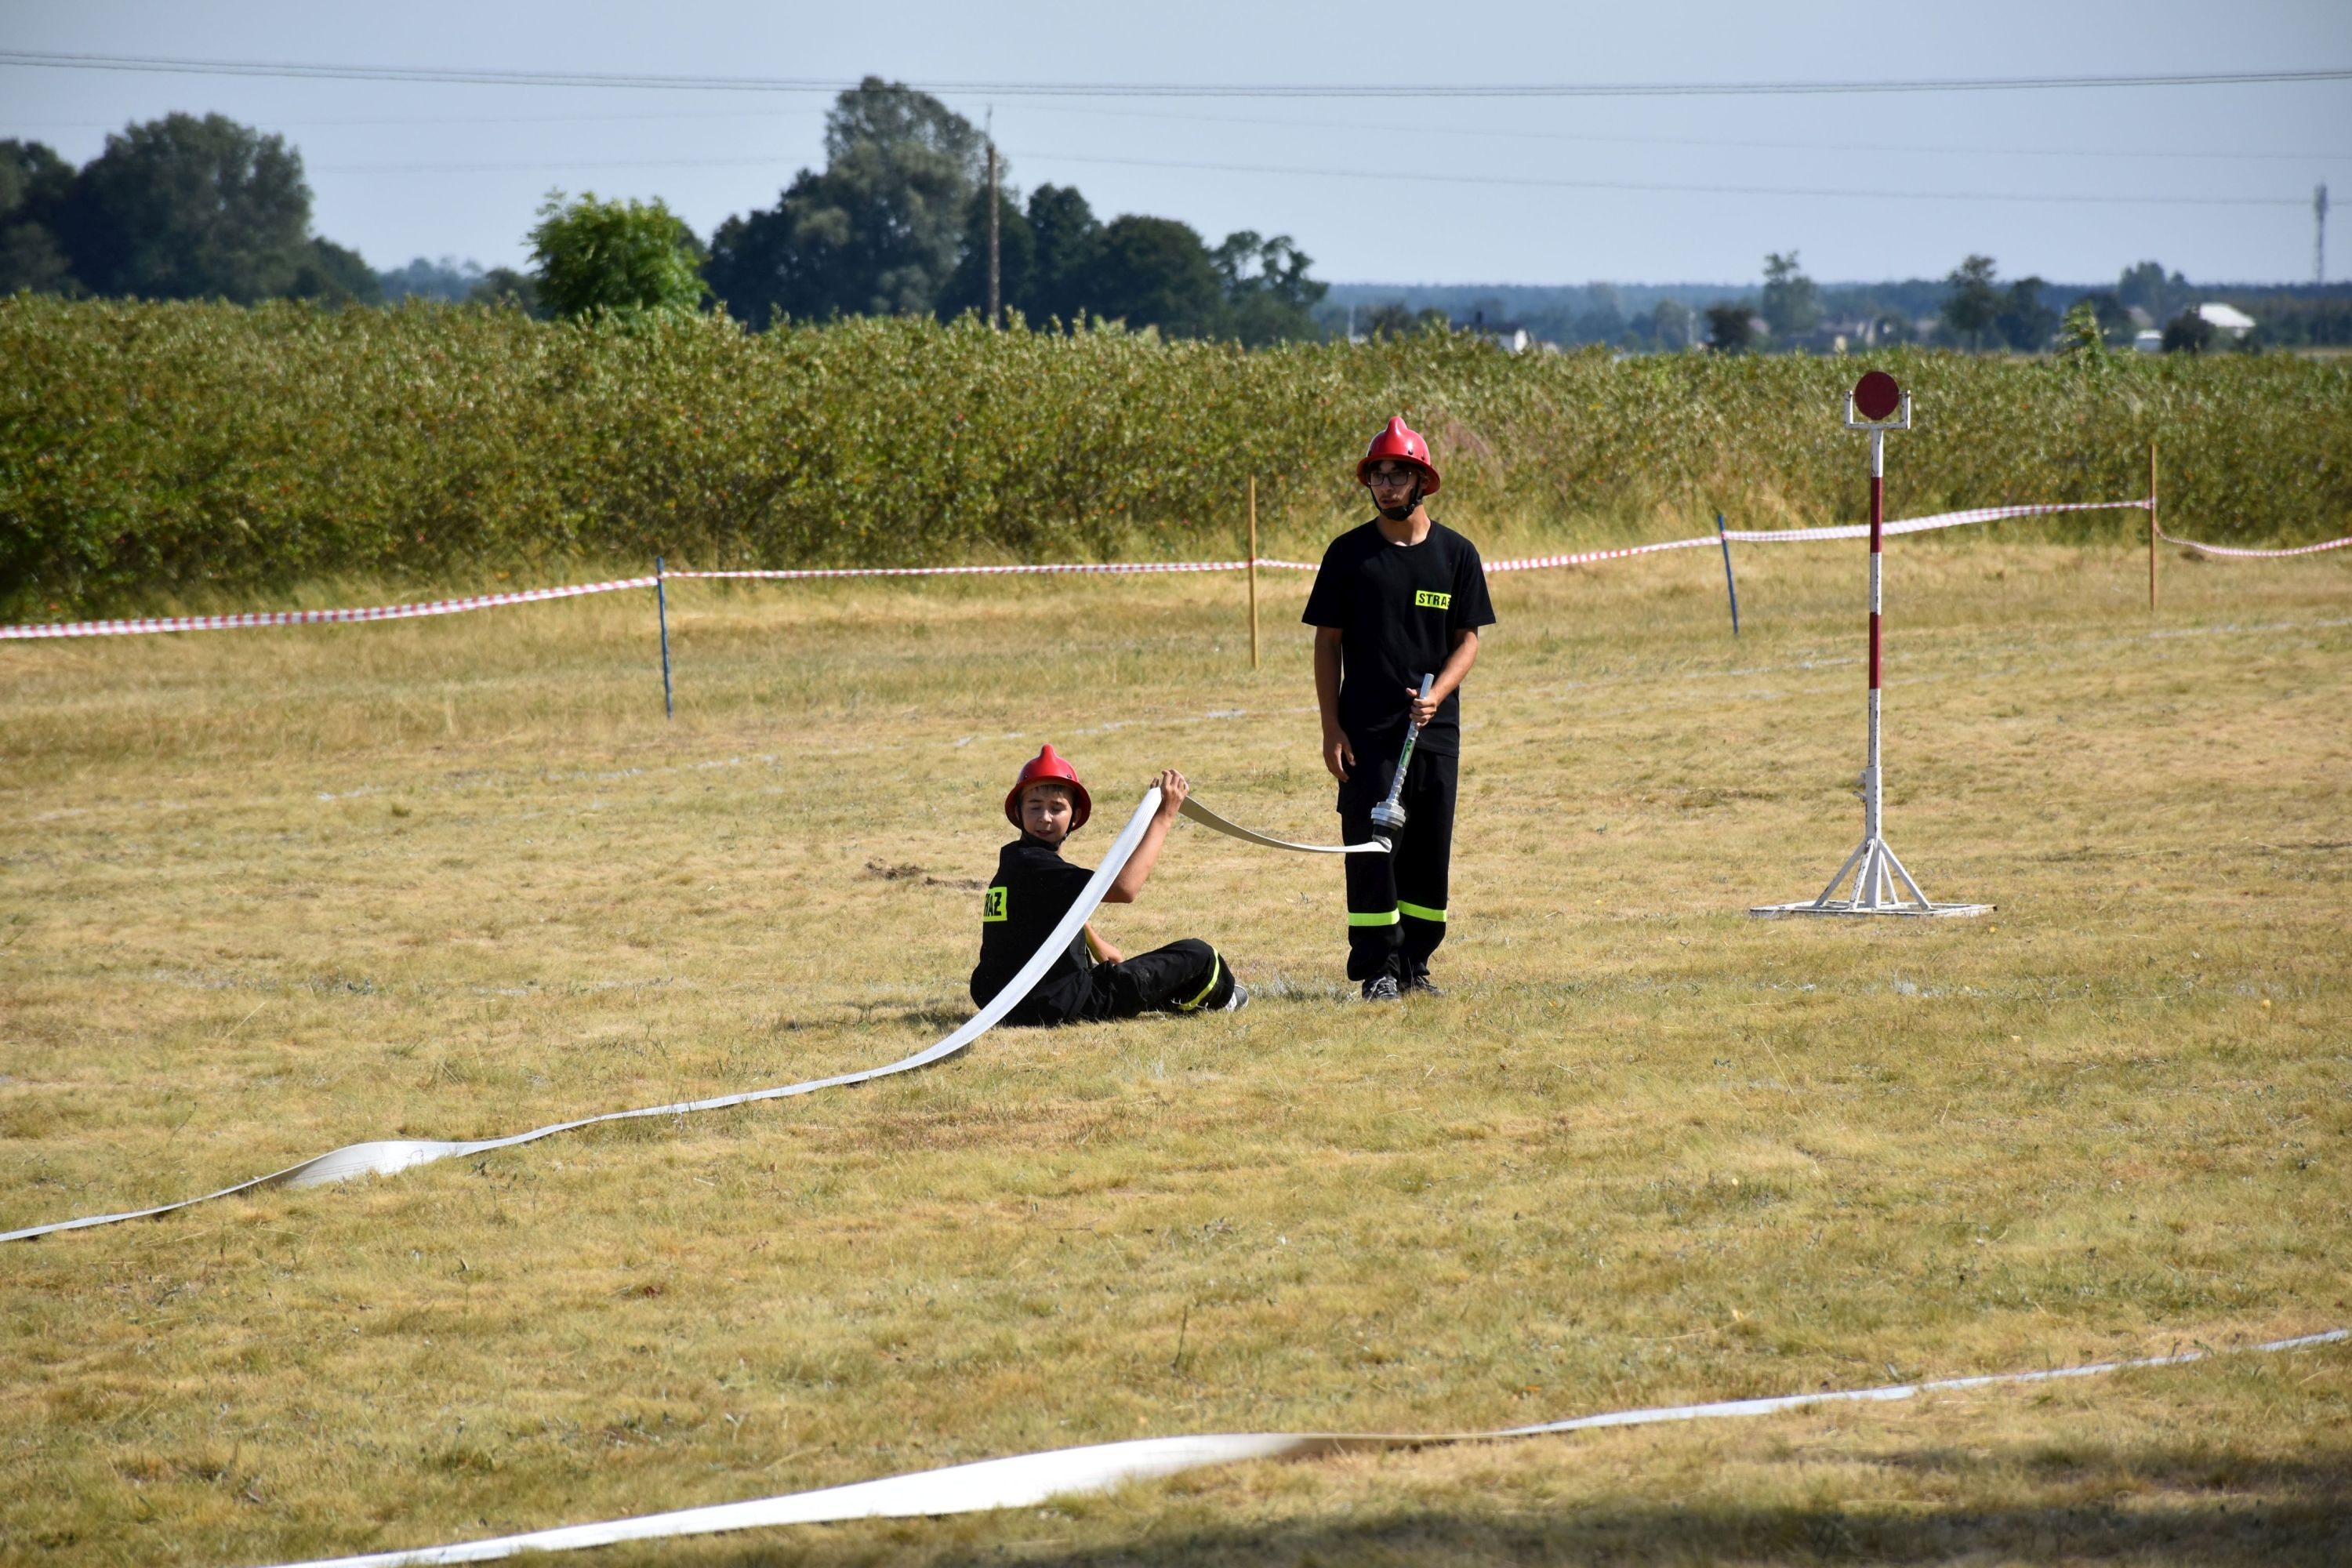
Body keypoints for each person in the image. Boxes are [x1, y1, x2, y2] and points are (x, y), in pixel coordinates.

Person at [1302, 416, 1496, 1001]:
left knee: (1428, 851)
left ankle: (1415, 965)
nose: (1386, 486)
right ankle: (1378, 969)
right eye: (1378, 476)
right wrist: (1331, 726)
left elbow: (1468, 640)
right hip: (1367, 733)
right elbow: (1327, 643)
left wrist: (1437, 696)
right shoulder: (1348, 555)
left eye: (1398, 475)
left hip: (1435, 734)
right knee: (1373, 851)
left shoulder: (1457, 555)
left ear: (1422, 482)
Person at [970, 745, 1247, 1026]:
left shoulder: (1016, 861)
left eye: (1057, 808)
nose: (1045, 817)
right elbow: (1125, 888)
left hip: (1001, 1000)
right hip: (1054, 1003)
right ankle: (1223, 998)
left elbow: (1054, 905)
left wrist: (1096, 943)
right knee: (1200, 956)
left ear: (1075, 816)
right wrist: (1164, 817)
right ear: (1018, 812)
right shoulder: (1036, 865)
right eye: (1035, 806)